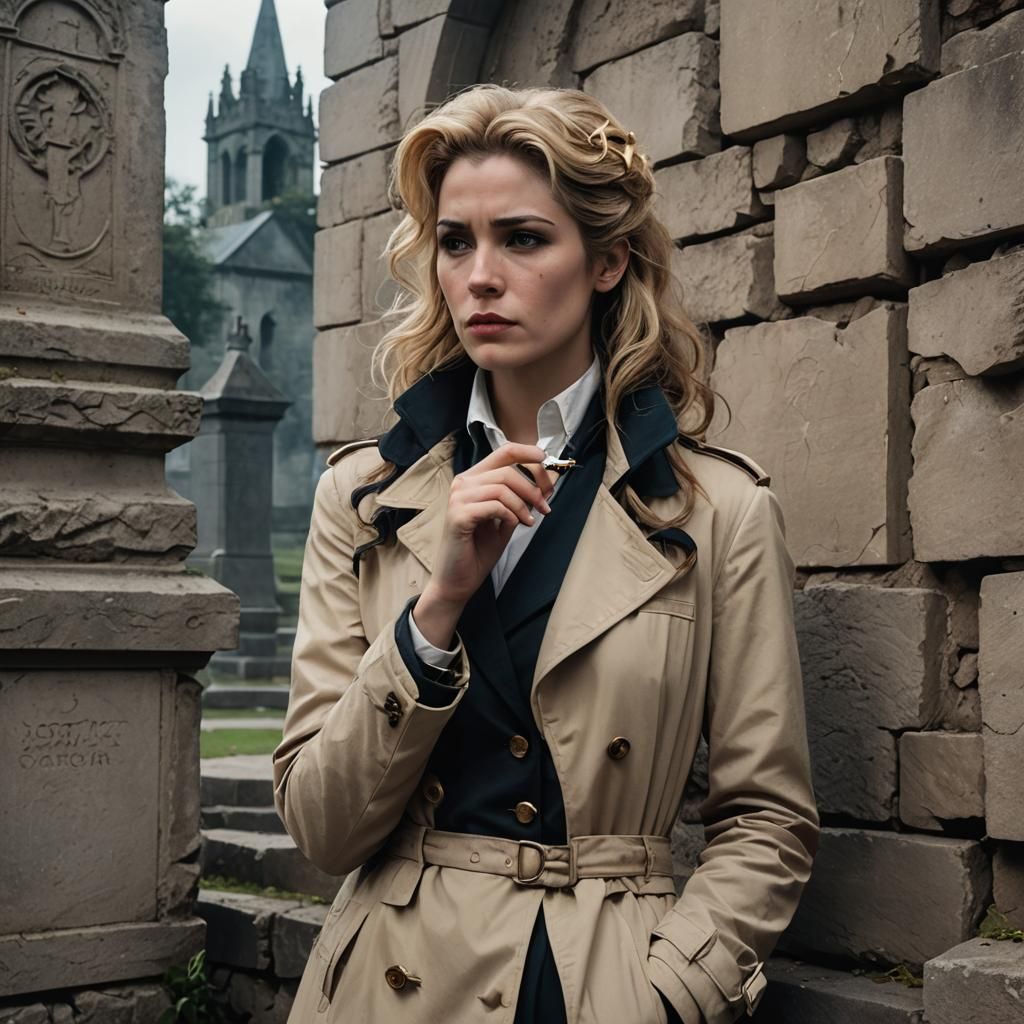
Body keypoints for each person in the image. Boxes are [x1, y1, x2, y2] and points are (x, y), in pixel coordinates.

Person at [273, 85, 819, 1024]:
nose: (480, 275)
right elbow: (324, 828)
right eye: (455, 241)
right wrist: (436, 608)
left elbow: (768, 820)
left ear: (607, 261)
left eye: (523, 239)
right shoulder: (360, 500)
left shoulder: (720, 508)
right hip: (389, 987)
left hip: (599, 983)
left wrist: (668, 993)